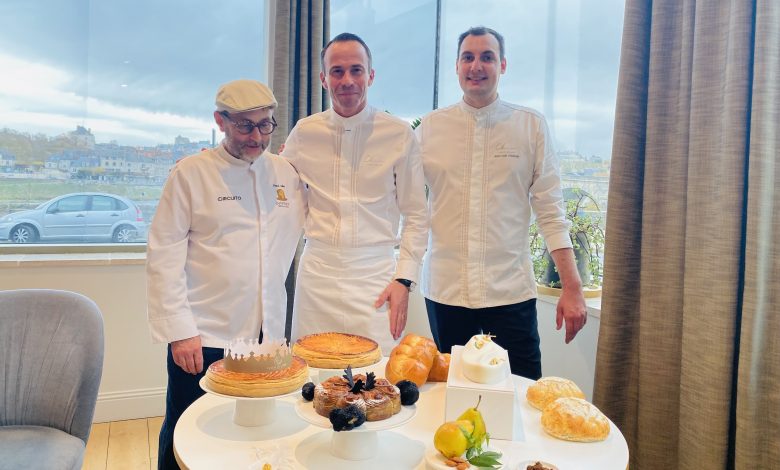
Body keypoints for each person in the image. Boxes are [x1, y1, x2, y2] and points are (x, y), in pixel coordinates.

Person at [146, 79, 304, 469]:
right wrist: (179, 330)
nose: (256, 137)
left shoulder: (287, 173)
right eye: (244, 126)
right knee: (188, 430)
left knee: (252, 431)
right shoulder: (190, 174)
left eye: (265, 125)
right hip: (204, 337)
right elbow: (163, 254)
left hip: (268, 339)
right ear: (220, 120)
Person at [416, 26, 587, 380]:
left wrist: (572, 288)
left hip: (510, 293)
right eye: (468, 57)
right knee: (454, 394)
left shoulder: (530, 127)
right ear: (457, 66)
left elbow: (552, 214)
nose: (476, 66)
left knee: (523, 392)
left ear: (503, 65)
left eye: (487, 57)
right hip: (447, 293)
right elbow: (405, 202)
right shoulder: (429, 129)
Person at [282, 32, 429, 354]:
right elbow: (272, 185)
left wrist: (404, 280)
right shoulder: (305, 133)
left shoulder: (399, 134)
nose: (347, 80)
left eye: (356, 70)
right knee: (312, 376)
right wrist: (213, 167)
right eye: (337, 71)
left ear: (370, 75)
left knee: (375, 380)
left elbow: (417, 214)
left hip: (375, 275)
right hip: (318, 272)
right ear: (323, 78)